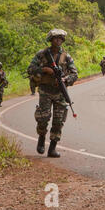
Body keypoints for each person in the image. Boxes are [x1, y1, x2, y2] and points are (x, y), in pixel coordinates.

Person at [28, 29, 78, 158]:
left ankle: (52, 148)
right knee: (43, 118)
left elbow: (74, 74)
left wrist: (65, 79)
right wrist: (44, 70)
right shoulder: (42, 54)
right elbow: (30, 69)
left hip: (60, 92)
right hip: (45, 90)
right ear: (51, 40)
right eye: (56, 38)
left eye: (60, 39)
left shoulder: (66, 57)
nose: (58, 41)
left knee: (58, 121)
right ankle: (41, 138)